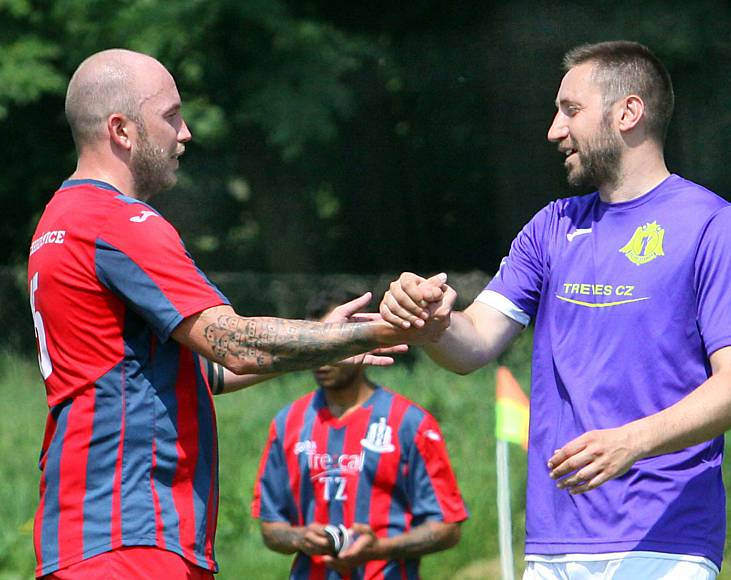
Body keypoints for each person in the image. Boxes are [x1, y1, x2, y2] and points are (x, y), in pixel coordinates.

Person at [27, 49, 429, 580]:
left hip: (89, 531)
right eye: (170, 115)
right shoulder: (117, 221)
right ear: (121, 129)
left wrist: (333, 340)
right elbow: (238, 344)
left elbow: (206, 370)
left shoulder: (59, 218)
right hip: (133, 533)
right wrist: (377, 329)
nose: (185, 132)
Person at [379, 41, 731, 580]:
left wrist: (631, 442)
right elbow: (472, 344)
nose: (553, 130)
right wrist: (433, 323)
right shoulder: (552, 226)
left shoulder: (714, 226)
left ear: (627, 113)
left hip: (663, 542)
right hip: (553, 543)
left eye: (571, 110)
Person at [252, 289, 468, 580]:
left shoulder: (410, 423)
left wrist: (381, 549)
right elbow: (271, 527)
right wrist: (301, 538)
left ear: (358, 341)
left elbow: (447, 528)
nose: (322, 356)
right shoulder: (287, 423)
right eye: (315, 344)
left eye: (331, 343)